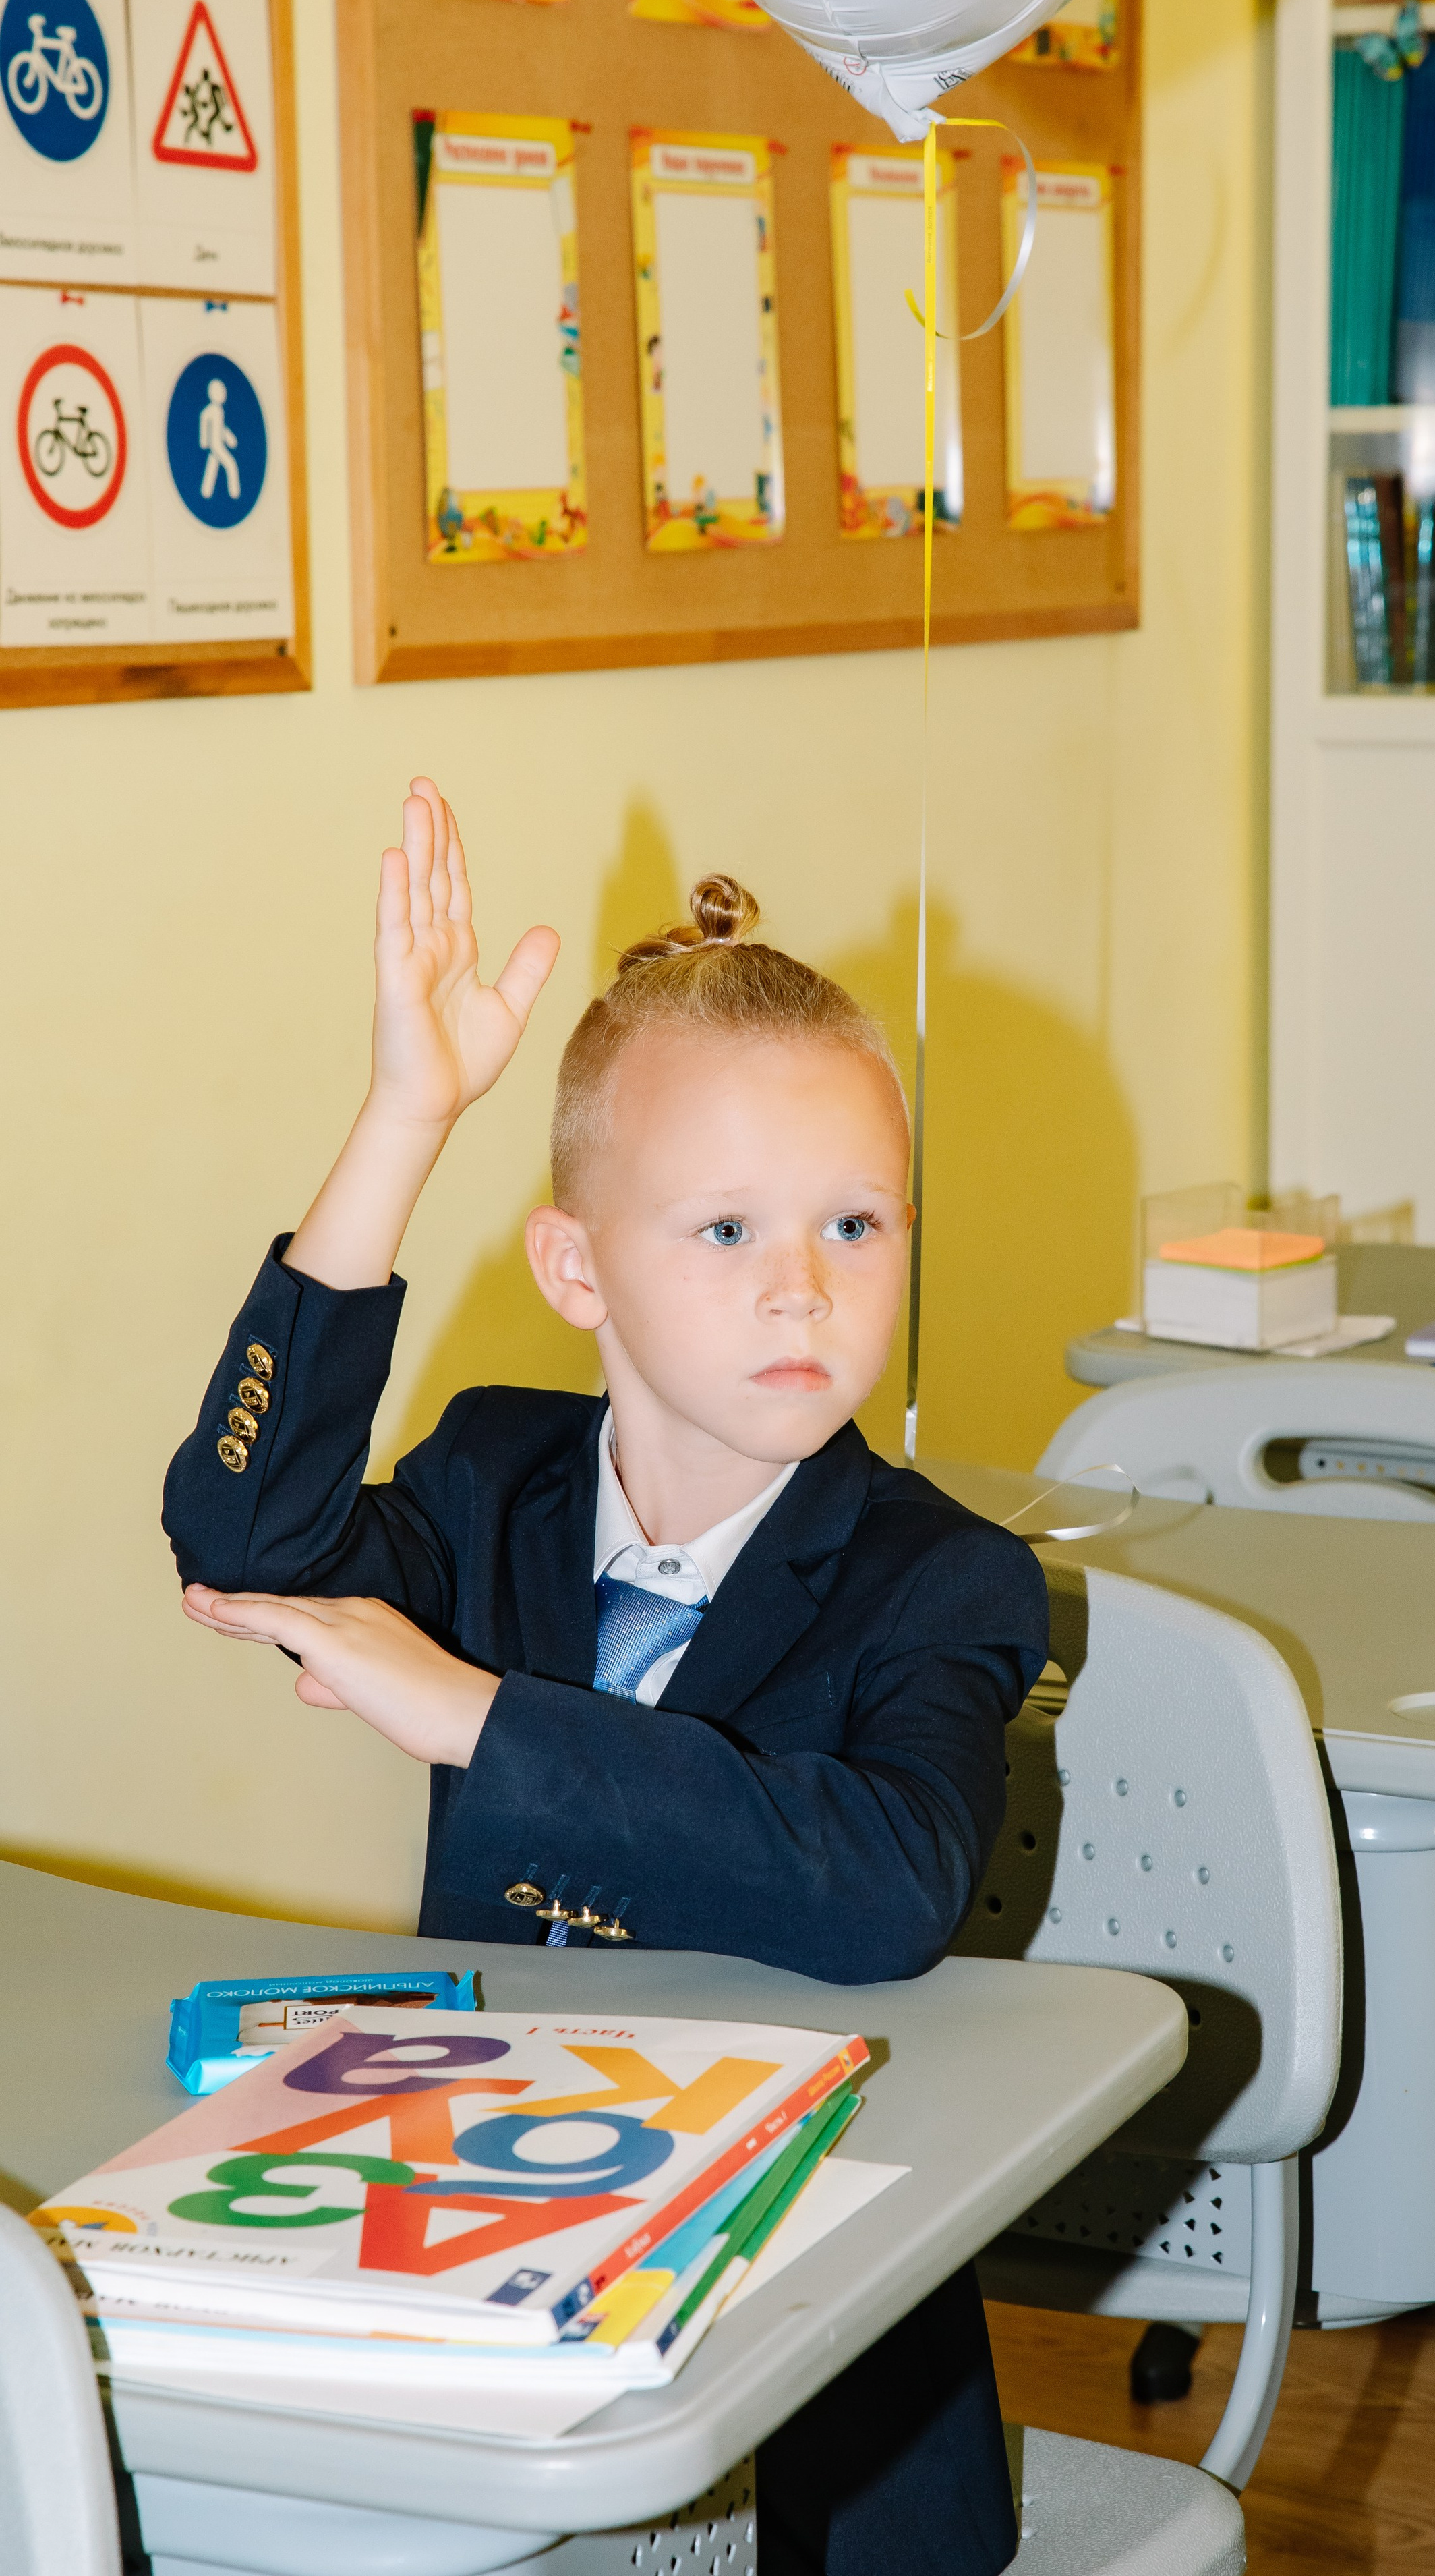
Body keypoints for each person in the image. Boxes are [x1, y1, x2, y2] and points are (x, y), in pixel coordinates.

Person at [162, 776, 1047, 2576]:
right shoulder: (497, 1479)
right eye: (725, 1231)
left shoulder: (943, 1575)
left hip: (809, 2364)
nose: (801, 1285)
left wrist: (472, 1714)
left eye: (855, 1224)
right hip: (485, 2279)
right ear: (576, 1267)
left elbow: (886, 1878)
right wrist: (409, 1117)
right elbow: (242, 1542)